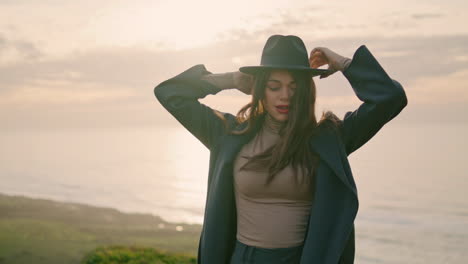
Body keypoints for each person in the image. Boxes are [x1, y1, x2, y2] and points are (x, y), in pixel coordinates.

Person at [153, 35, 408, 264]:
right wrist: (231, 79)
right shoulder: (229, 134)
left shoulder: (329, 139)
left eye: (294, 87)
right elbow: (170, 93)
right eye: (274, 86)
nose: (285, 96)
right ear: (260, 89)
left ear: (306, 91)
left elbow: (390, 99)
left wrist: (343, 63)